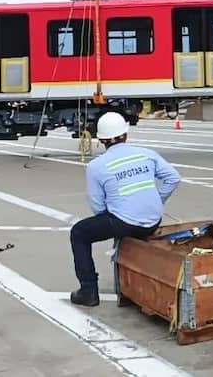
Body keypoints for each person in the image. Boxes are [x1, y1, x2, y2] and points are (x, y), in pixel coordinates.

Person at [69, 111, 181, 307]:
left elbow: (97, 207)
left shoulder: (96, 166)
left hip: (124, 222)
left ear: (101, 140)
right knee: (123, 224)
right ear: (126, 135)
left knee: (79, 233)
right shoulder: (147, 154)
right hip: (154, 219)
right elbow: (173, 178)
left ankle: (88, 291)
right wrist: (158, 201)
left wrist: (119, 211)